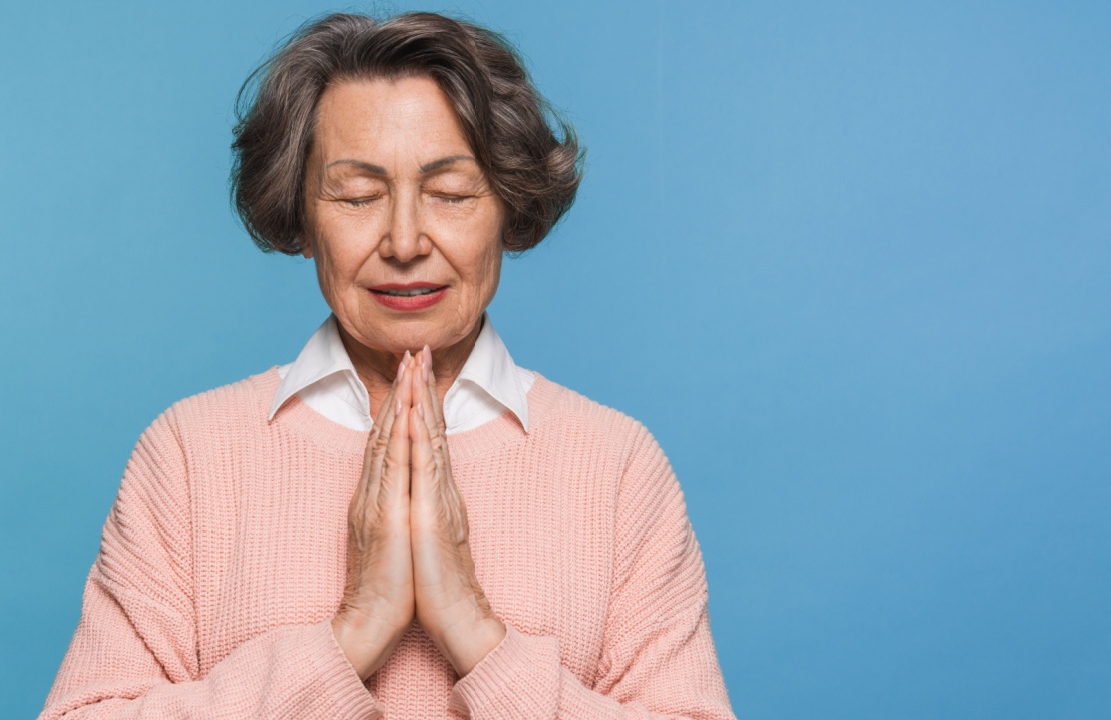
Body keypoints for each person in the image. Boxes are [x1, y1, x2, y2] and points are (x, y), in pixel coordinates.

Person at [38, 11, 735, 720]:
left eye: (451, 194)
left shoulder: (615, 466)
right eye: (359, 195)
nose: (405, 240)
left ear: (508, 207)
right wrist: (350, 635)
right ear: (302, 218)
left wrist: (473, 632)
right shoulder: (189, 455)